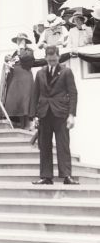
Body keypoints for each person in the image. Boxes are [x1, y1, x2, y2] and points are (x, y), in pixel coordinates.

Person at [31, 45, 79, 185]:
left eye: (54, 59)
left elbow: (73, 93)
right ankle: (46, 176)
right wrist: (34, 116)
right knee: (44, 145)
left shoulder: (66, 72)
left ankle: (67, 176)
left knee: (63, 145)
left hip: (61, 114)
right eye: (49, 59)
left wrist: (72, 115)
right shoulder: (40, 73)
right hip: (44, 113)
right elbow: (35, 95)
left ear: (58, 57)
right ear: (46, 58)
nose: (51, 62)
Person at [3, 33, 35, 129]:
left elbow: (27, 59)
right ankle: (21, 124)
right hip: (16, 78)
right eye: (18, 40)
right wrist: (8, 59)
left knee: (25, 100)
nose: (19, 42)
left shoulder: (29, 51)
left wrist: (21, 49)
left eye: (21, 40)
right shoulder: (15, 52)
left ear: (25, 41)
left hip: (25, 78)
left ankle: (28, 124)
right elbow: (13, 62)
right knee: (18, 101)